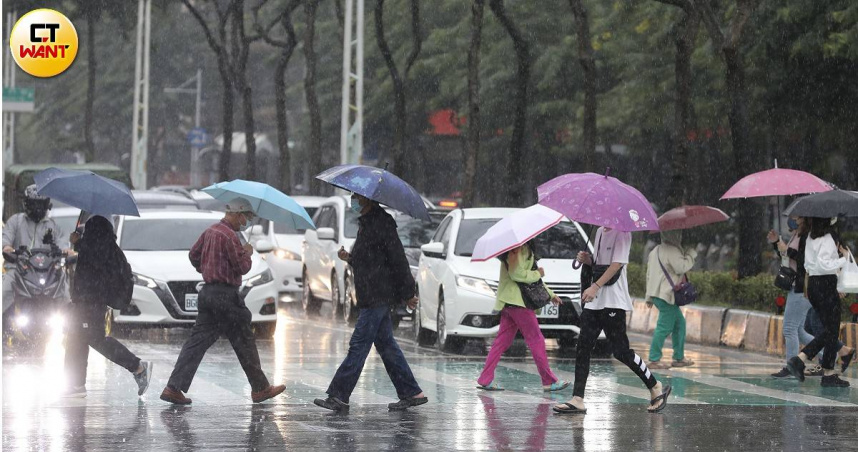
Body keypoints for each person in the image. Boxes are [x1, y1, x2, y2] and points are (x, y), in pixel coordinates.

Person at [160, 198, 286, 404]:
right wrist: (247, 253)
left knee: (196, 343)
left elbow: (193, 255)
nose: (245, 223)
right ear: (237, 214)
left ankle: (173, 387)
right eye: (245, 218)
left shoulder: (210, 231)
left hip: (208, 294)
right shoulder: (229, 236)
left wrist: (206, 267)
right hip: (226, 296)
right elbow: (242, 267)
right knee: (244, 340)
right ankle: (260, 388)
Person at [313, 193, 427, 412]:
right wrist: (349, 258)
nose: (353, 199)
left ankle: (339, 396)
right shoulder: (366, 223)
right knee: (386, 345)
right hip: (371, 294)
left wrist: (408, 292)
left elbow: (397, 259)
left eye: (356, 196)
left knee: (358, 345)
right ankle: (411, 392)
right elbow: (368, 259)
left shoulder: (381, 223)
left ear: (367, 199)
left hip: (377, 295)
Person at [555, 226, 671, 414]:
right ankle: (577, 398)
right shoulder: (600, 232)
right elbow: (600, 265)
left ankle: (654, 385)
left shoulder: (623, 233)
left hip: (613, 302)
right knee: (583, 347)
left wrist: (594, 287)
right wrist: (588, 260)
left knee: (621, 351)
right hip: (594, 303)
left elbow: (616, 265)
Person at [63, 216, 151, 398]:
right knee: (76, 339)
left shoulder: (98, 248)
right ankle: (75, 384)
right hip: (87, 302)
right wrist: (78, 244)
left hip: (91, 303)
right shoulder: (105, 247)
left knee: (95, 339)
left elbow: (93, 263)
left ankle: (138, 366)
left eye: (88, 231)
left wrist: (78, 243)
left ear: (94, 233)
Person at [475, 242, 570, 392]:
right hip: (519, 303)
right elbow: (517, 274)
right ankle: (549, 381)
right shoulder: (518, 249)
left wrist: (551, 294)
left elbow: (532, 279)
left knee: (502, 341)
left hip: (510, 301)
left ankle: (485, 379)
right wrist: (538, 273)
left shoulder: (516, 247)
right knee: (536, 339)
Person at [786, 217, 853, 387]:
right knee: (831, 330)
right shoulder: (827, 238)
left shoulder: (810, 236)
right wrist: (844, 258)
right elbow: (825, 264)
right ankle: (800, 359)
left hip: (814, 285)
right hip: (826, 284)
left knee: (830, 330)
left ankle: (828, 374)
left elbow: (808, 263)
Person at [766, 217, 835, 378]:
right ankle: (830, 352)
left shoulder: (807, 236)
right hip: (795, 286)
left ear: (804, 218)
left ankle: (791, 367)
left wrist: (786, 249)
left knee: (789, 328)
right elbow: (788, 259)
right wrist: (777, 243)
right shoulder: (796, 234)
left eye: (797, 216)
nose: (793, 219)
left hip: (802, 287)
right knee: (798, 330)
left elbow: (804, 260)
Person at [2, 185, 72, 311]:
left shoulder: (53, 226)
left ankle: (70, 321)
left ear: (47, 205)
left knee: (65, 292)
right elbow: (5, 241)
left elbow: (62, 245)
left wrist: (67, 252)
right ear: (26, 204)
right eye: (34, 204)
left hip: (47, 273)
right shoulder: (15, 221)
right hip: (19, 269)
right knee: (4, 291)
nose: (37, 208)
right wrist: (8, 249)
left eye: (40, 204)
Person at [645, 230, 697, 369]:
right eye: (678, 233)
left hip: (657, 295)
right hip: (667, 295)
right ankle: (654, 359)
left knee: (680, 324)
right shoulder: (672, 250)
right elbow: (682, 267)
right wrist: (690, 254)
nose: (680, 236)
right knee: (664, 328)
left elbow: (649, 274)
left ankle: (679, 357)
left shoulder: (655, 250)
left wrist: (648, 296)